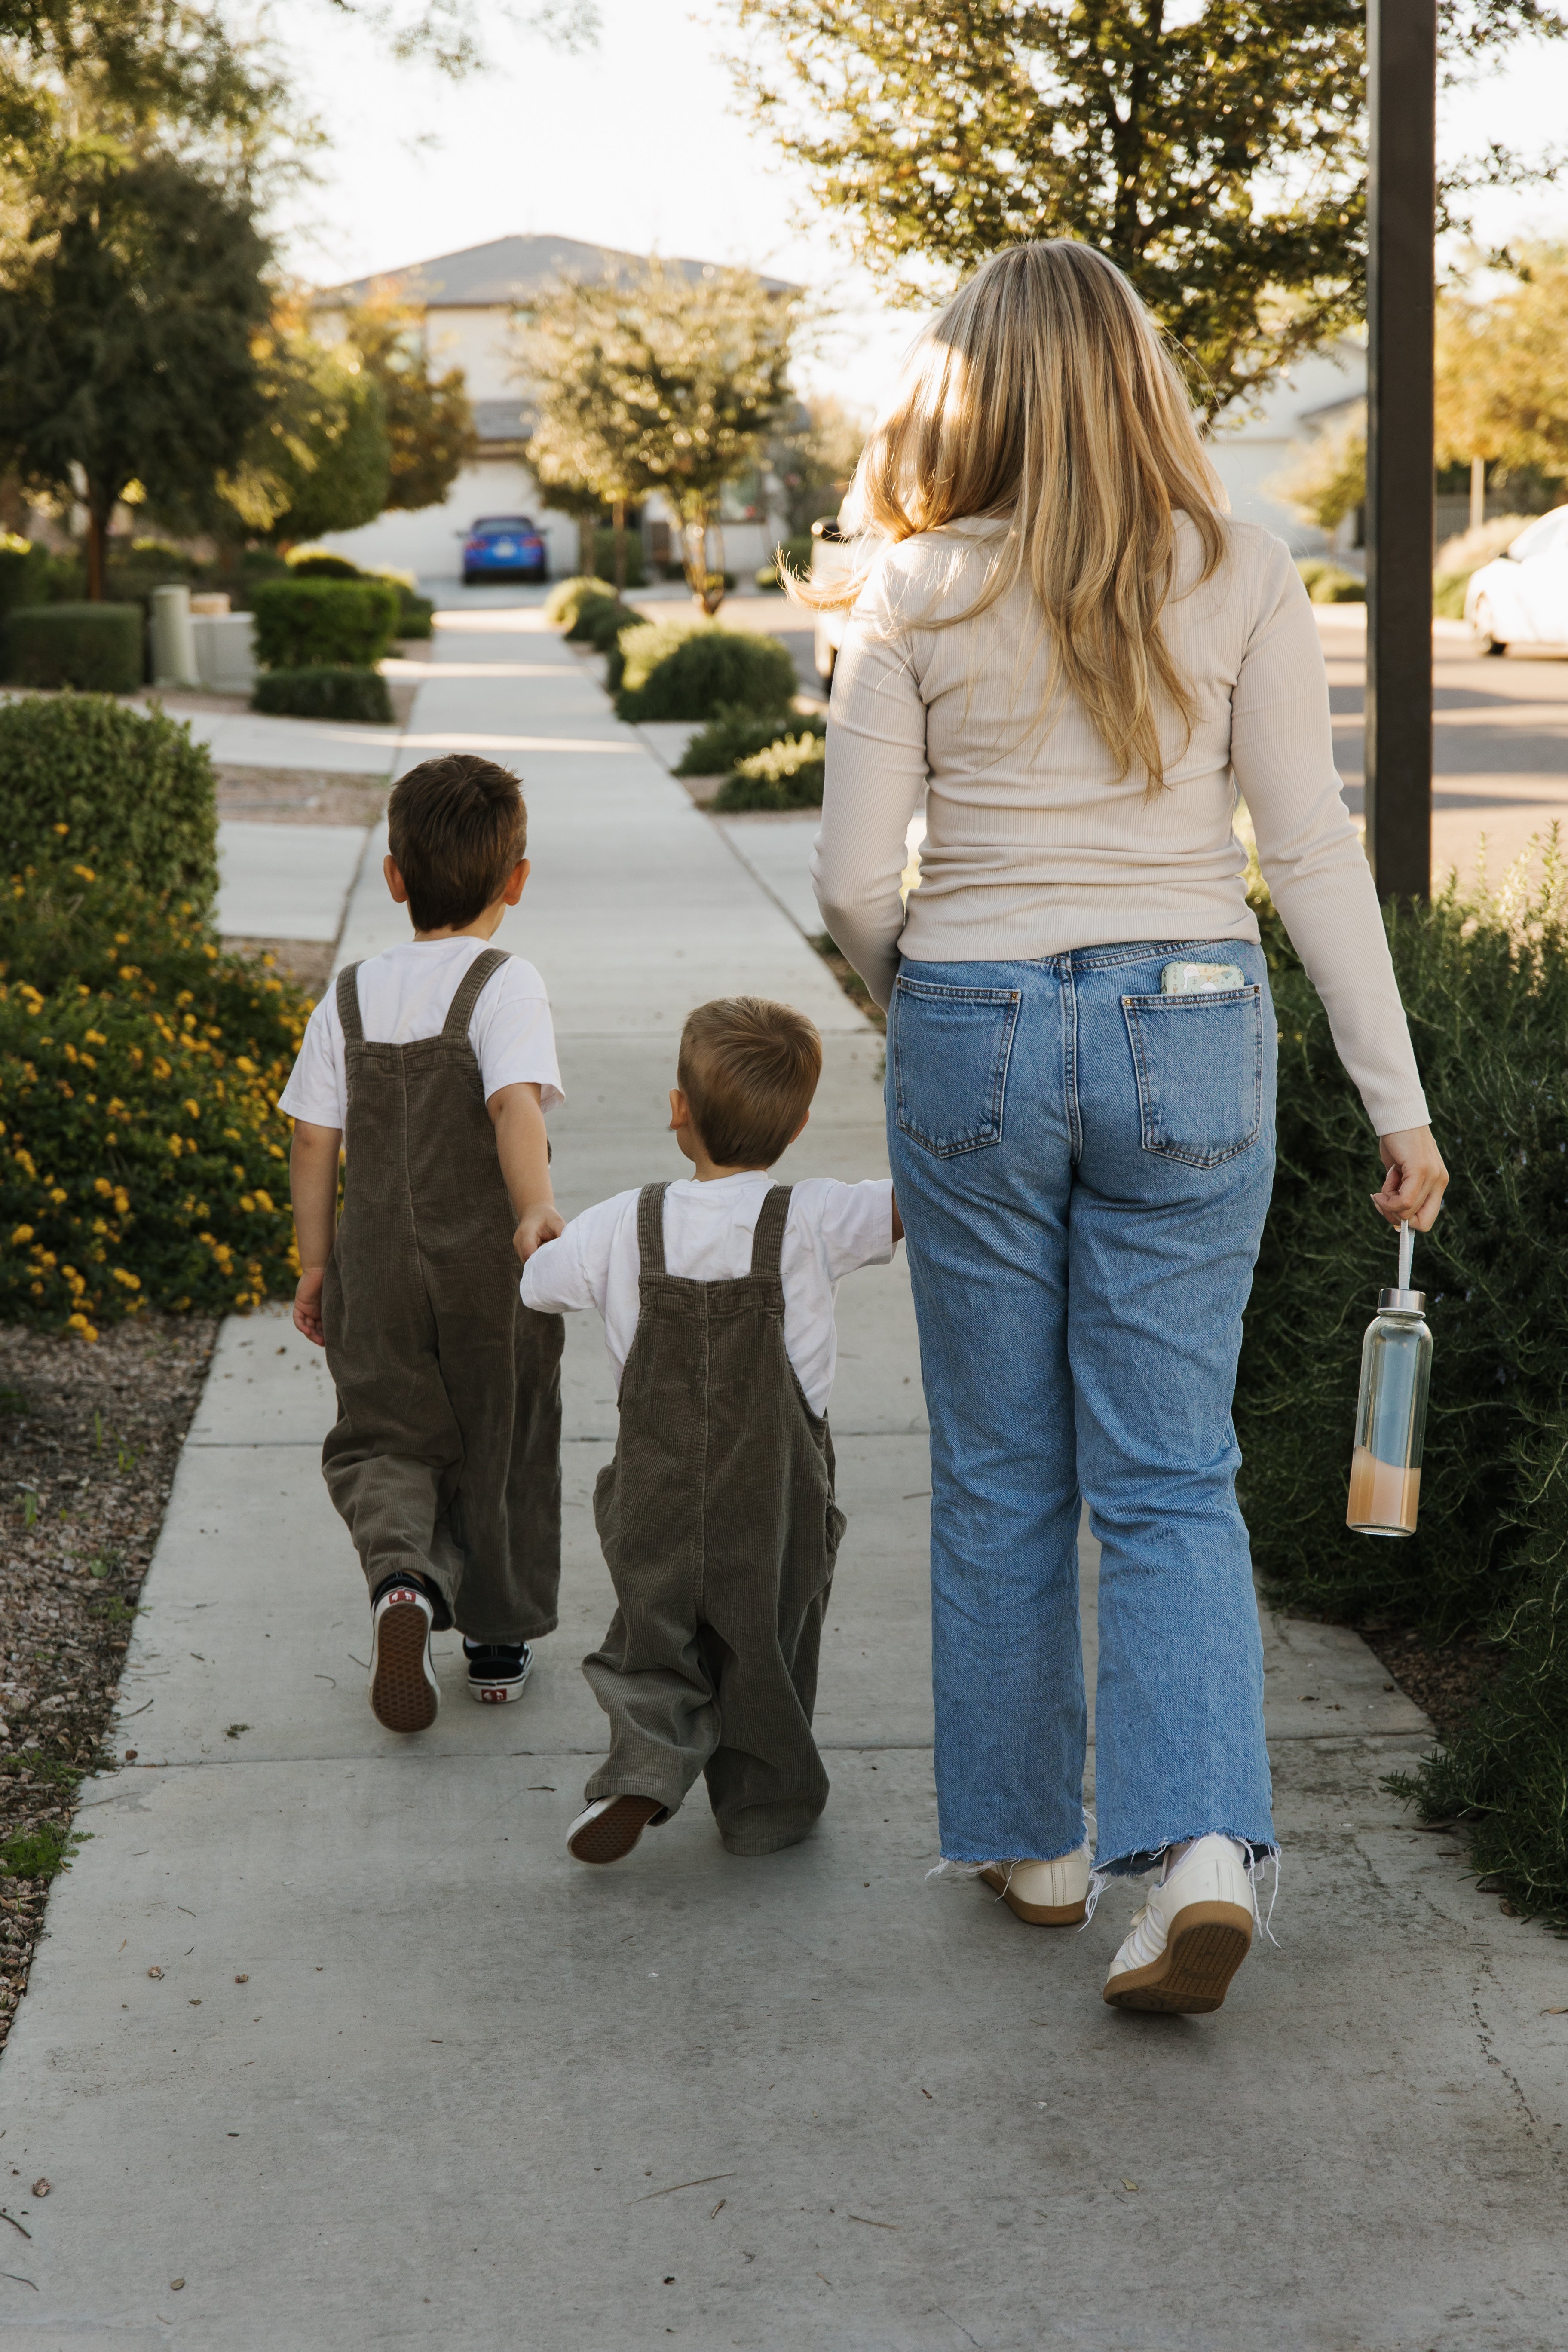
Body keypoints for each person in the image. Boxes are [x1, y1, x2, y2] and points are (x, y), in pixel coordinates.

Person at [803, 240, 1449, 2015]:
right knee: (1171, 1472)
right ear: (1144, 380)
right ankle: (1204, 1856)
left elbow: (858, 881)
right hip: (1192, 1029)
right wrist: (1396, 1098)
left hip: (977, 1025)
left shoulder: (911, 589)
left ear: (967, 395)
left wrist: (918, 1005)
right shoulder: (1241, 565)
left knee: (1004, 1468)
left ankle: (1039, 1846)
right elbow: (1310, 848)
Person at [519, 996, 901, 1866]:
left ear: (677, 1109)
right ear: (801, 1125)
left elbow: (538, 1287)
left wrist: (544, 1231)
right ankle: (766, 1809)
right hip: (773, 1488)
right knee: (769, 1641)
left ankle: (645, 1766)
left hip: (654, 1480)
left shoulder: (625, 1220)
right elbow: (912, 1201)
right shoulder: (814, 1217)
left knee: (650, 1635)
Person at [282, 753, 567, 1733]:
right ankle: (495, 1640)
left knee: (386, 1436)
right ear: (516, 880)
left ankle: (402, 1584)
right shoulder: (506, 983)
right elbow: (512, 1104)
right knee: (505, 1427)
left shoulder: (350, 995)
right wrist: (532, 1212)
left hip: (376, 1263)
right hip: (489, 1259)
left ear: (395, 877)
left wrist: (319, 1264)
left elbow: (313, 1139)